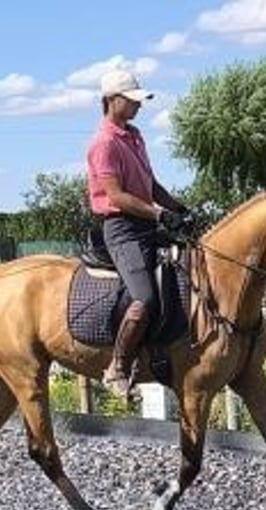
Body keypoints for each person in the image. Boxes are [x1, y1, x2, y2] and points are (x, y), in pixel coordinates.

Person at [86, 68, 190, 398]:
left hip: (146, 222)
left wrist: (179, 209)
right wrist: (160, 214)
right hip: (121, 229)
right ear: (110, 101)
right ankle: (117, 367)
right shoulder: (104, 143)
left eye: (138, 101)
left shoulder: (135, 135)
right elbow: (116, 197)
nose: (138, 106)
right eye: (131, 101)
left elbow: (151, 185)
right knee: (144, 297)